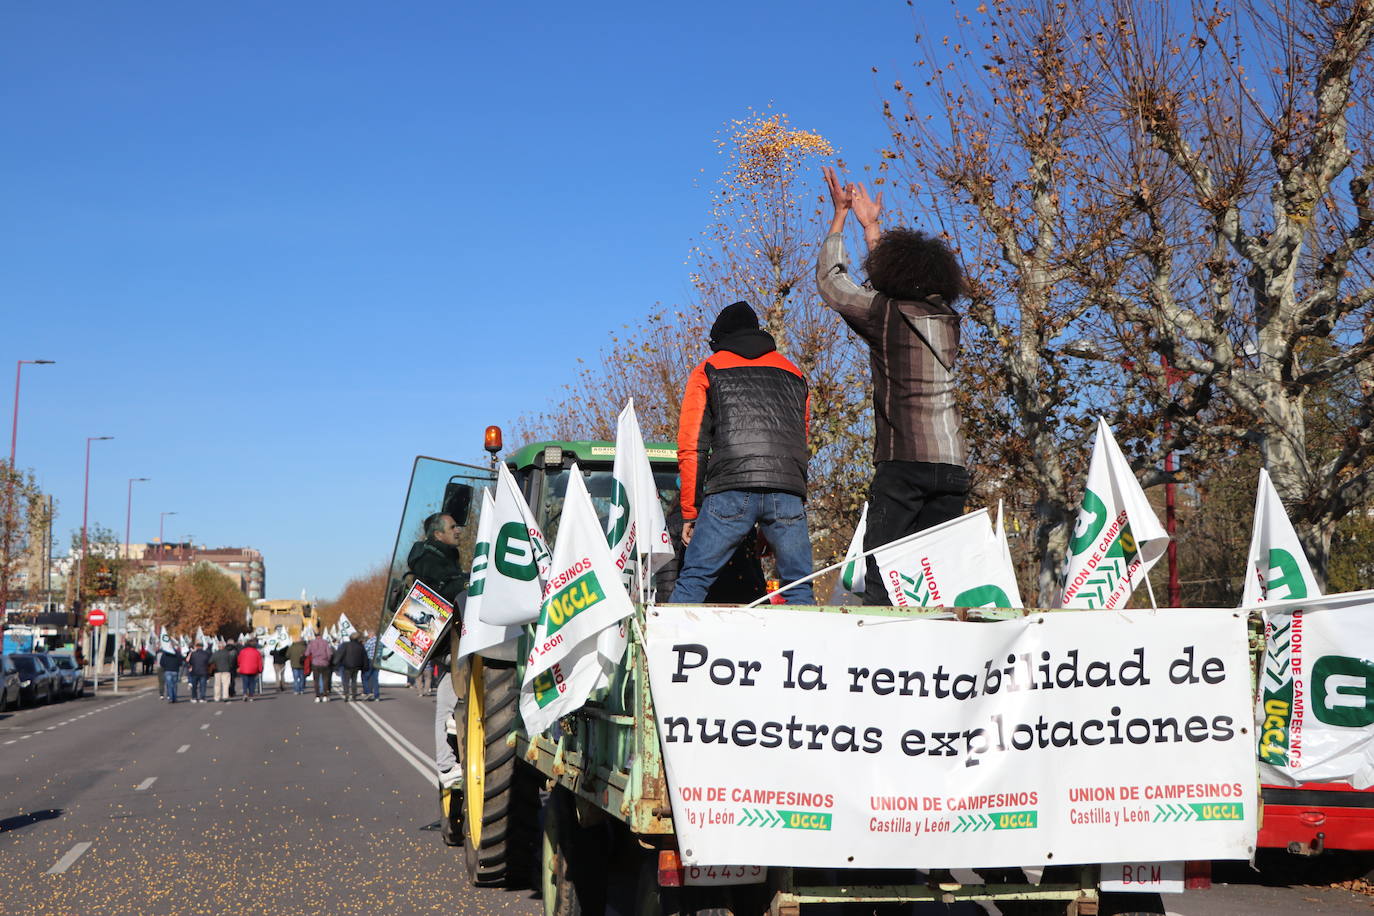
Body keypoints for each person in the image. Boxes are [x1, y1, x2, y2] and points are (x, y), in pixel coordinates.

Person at [818, 166, 971, 606]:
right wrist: (874, 229)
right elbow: (898, 280)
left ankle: (883, 664)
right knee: (932, 580)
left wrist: (842, 219)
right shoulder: (948, 321)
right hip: (952, 466)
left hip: (904, 462)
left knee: (882, 574)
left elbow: (833, 283)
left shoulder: (886, 316)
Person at [668, 301, 814, 605]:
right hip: (786, 492)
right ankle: (809, 653)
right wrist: (791, 498)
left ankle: (669, 651)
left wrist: (691, 511)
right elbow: (801, 441)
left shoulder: (707, 369)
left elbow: (692, 446)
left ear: (718, 339)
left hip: (731, 489)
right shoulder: (794, 372)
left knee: (694, 578)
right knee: (799, 587)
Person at [407, 513, 468, 605]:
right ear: (438, 534)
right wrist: (470, 583)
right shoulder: (428, 560)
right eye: (452, 527)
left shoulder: (446, 556)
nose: (458, 531)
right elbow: (443, 590)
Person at [333, 631, 367, 702]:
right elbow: (364, 657)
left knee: (346, 681)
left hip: (347, 666)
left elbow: (340, 654)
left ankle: (346, 694)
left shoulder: (345, 645)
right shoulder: (360, 646)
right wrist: (364, 666)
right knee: (354, 681)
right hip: (356, 666)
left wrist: (335, 663)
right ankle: (354, 695)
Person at [306, 630, 333, 702]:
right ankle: (325, 696)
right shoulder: (325, 642)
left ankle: (317, 696)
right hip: (324, 663)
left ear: (315, 636)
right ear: (321, 635)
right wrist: (327, 660)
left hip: (315, 663)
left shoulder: (312, 643)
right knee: (325, 680)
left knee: (316, 681)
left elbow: (307, 653)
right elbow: (329, 653)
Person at [361, 631, 381, 701]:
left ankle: (368, 692)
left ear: (370, 635)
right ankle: (377, 696)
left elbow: (365, 650)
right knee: (375, 679)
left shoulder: (370, 641)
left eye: (368, 635)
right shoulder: (380, 641)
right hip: (378, 661)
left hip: (370, 660)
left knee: (365, 677)